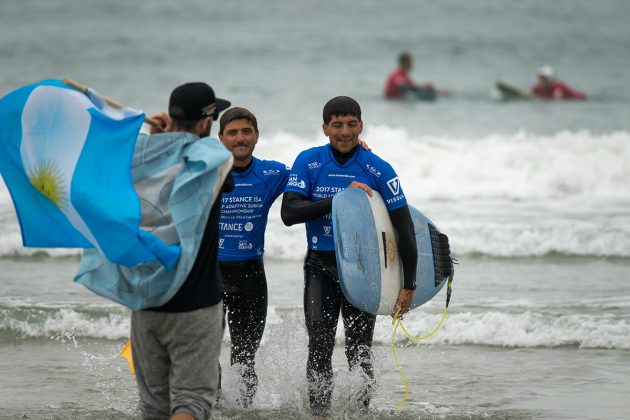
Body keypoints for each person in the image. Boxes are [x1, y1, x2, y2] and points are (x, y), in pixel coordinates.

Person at [281, 96, 417, 417]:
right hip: (319, 266)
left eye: (351, 124)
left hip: (362, 269)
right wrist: (341, 200)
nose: (345, 131)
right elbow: (290, 212)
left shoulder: (377, 168)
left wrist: (408, 284)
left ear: (361, 125)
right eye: (337, 124)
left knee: (359, 351)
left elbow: (405, 228)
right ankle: (321, 413)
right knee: (320, 347)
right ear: (325, 127)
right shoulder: (309, 161)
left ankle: (360, 413)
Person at [130, 82, 233, 420]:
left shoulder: (143, 162)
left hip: (146, 299)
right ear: (206, 123)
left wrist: (161, 139)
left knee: (154, 406)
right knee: (191, 402)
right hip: (195, 303)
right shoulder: (216, 162)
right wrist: (176, 138)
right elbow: (208, 161)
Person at [216, 107, 289, 407]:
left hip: (251, 279)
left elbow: (313, 177)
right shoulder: (207, 173)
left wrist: (356, 150)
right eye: (232, 133)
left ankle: (244, 411)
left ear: (257, 136)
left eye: (246, 131)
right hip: (211, 276)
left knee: (245, 358)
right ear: (220, 138)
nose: (240, 138)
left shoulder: (272, 174)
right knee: (206, 355)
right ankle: (212, 408)